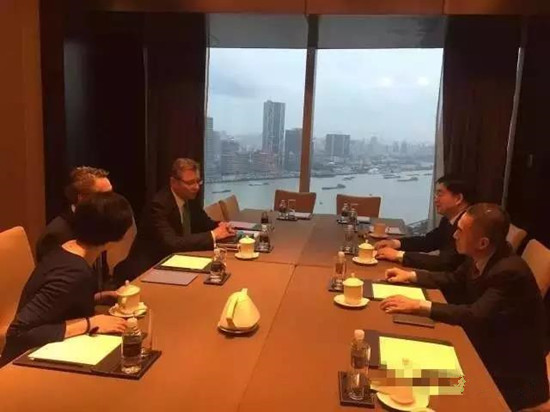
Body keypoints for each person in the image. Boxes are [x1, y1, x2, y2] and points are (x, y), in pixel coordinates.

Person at [379, 203, 549, 411]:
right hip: (484, 346)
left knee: (413, 387)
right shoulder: (486, 254)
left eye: (460, 231)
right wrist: (411, 276)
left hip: (508, 376)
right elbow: (454, 279)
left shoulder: (509, 271)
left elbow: (474, 315)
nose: (454, 235)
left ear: (482, 242)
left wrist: (418, 306)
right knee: (397, 373)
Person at [0, 192, 133, 367]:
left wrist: (98, 297)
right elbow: (18, 333)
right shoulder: (73, 273)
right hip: (25, 363)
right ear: (115, 237)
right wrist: (90, 323)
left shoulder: (68, 248)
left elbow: (58, 303)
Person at [115, 158, 234, 281]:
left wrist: (221, 226)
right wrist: (213, 234)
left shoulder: (190, 199)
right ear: (173, 182)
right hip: (151, 266)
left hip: (180, 260)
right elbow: (171, 243)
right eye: (190, 183)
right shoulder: (158, 205)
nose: (196, 187)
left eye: (198, 181)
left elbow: (205, 223)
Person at [375, 175, 473, 271]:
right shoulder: (449, 219)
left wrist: (399, 255)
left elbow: (447, 263)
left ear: (458, 198)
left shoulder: (468, 224)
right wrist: (395, 243)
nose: (435, 199)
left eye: (440, 194)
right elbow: (429, 241)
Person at [36, 166, 113, 262]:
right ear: (82, 198)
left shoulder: (100, 224)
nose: (112, 201)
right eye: (104, 196)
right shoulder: (55, 236)